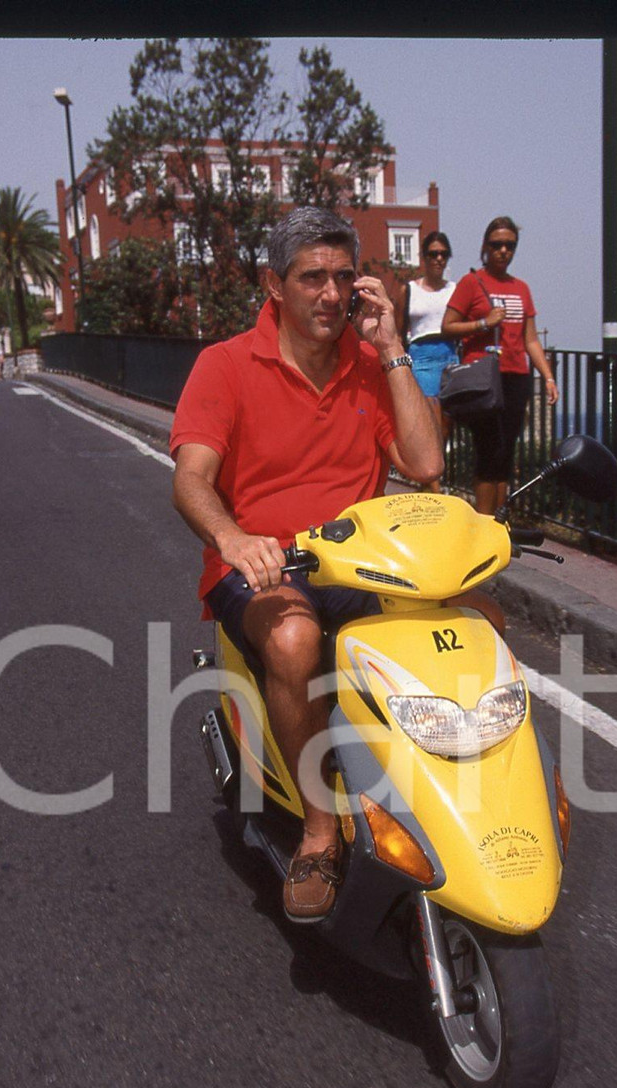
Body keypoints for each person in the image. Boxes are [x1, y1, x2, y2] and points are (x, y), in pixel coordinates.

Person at [170, 207, 444, 923]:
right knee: (293, 641)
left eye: (344, 277)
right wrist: (232, 539)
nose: (331, 293)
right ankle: (320, 831)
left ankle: (450, 793)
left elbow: (425, 464)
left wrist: (392, 349)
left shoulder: (367, 368)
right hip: (262, 566)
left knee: (477, 620)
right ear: (274, 284)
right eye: (312, 277)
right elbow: (191, 478)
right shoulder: (226, 365)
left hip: (357, 563)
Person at [442, 217, 559, 515]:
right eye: (497, 245)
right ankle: (483, 523)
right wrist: (484, 323)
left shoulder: (521, 288)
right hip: (484, 378)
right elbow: (448, 326)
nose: (503, 251)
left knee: (506, 453)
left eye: (510, 245)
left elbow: (530, 339)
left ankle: (499, 523)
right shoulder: (472, 282)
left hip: (515, 377)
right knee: (488, 451)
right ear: (485, 246)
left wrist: (547, 377)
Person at [393, 230, 458, 490]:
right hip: (422, 358)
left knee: (444, 429)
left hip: (450, 357)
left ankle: (427, 484)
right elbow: (399, 331)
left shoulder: (455, 290)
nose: (438, 259)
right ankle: (437, 493)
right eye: (433, 254)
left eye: (443, 254)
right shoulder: (409, 290)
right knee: (430, 424)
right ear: (424, 257)